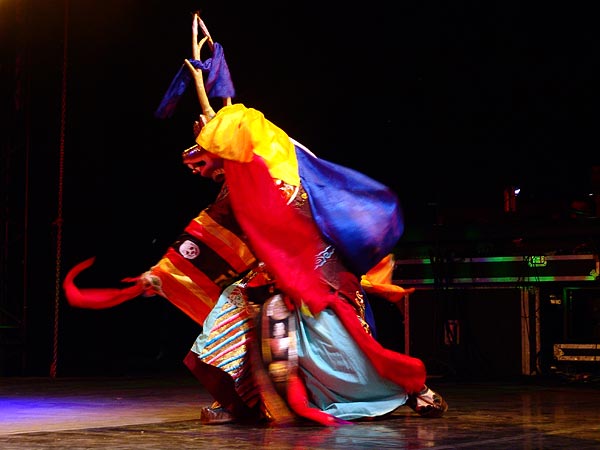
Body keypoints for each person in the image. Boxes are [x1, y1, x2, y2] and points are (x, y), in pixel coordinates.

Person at [63, 12, 447, 426]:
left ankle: (407, 388)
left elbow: (245, 128)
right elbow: (209, 228)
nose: (196, 167)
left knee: (333, 343)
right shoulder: (237, 189)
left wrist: (216, 121)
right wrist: (162, 274)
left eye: (201, 157)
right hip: (273, 272)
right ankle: (243, 402)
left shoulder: (275, 158)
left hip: (314, 269)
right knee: (230, 319)